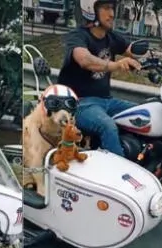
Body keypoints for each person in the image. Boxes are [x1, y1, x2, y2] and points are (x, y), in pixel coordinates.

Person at [57, 0, 142, 157]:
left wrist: (158, 57)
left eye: (112, 8)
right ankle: (120, 176)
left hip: (107, 102)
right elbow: (85, 60)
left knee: (146, 114)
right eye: (106, 8)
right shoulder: (77, 36)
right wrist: (116, 65)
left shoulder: (112, 37)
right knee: (107, 125)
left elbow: (134, 50)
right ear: (91, 10)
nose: (112, 14)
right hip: (79, 104)